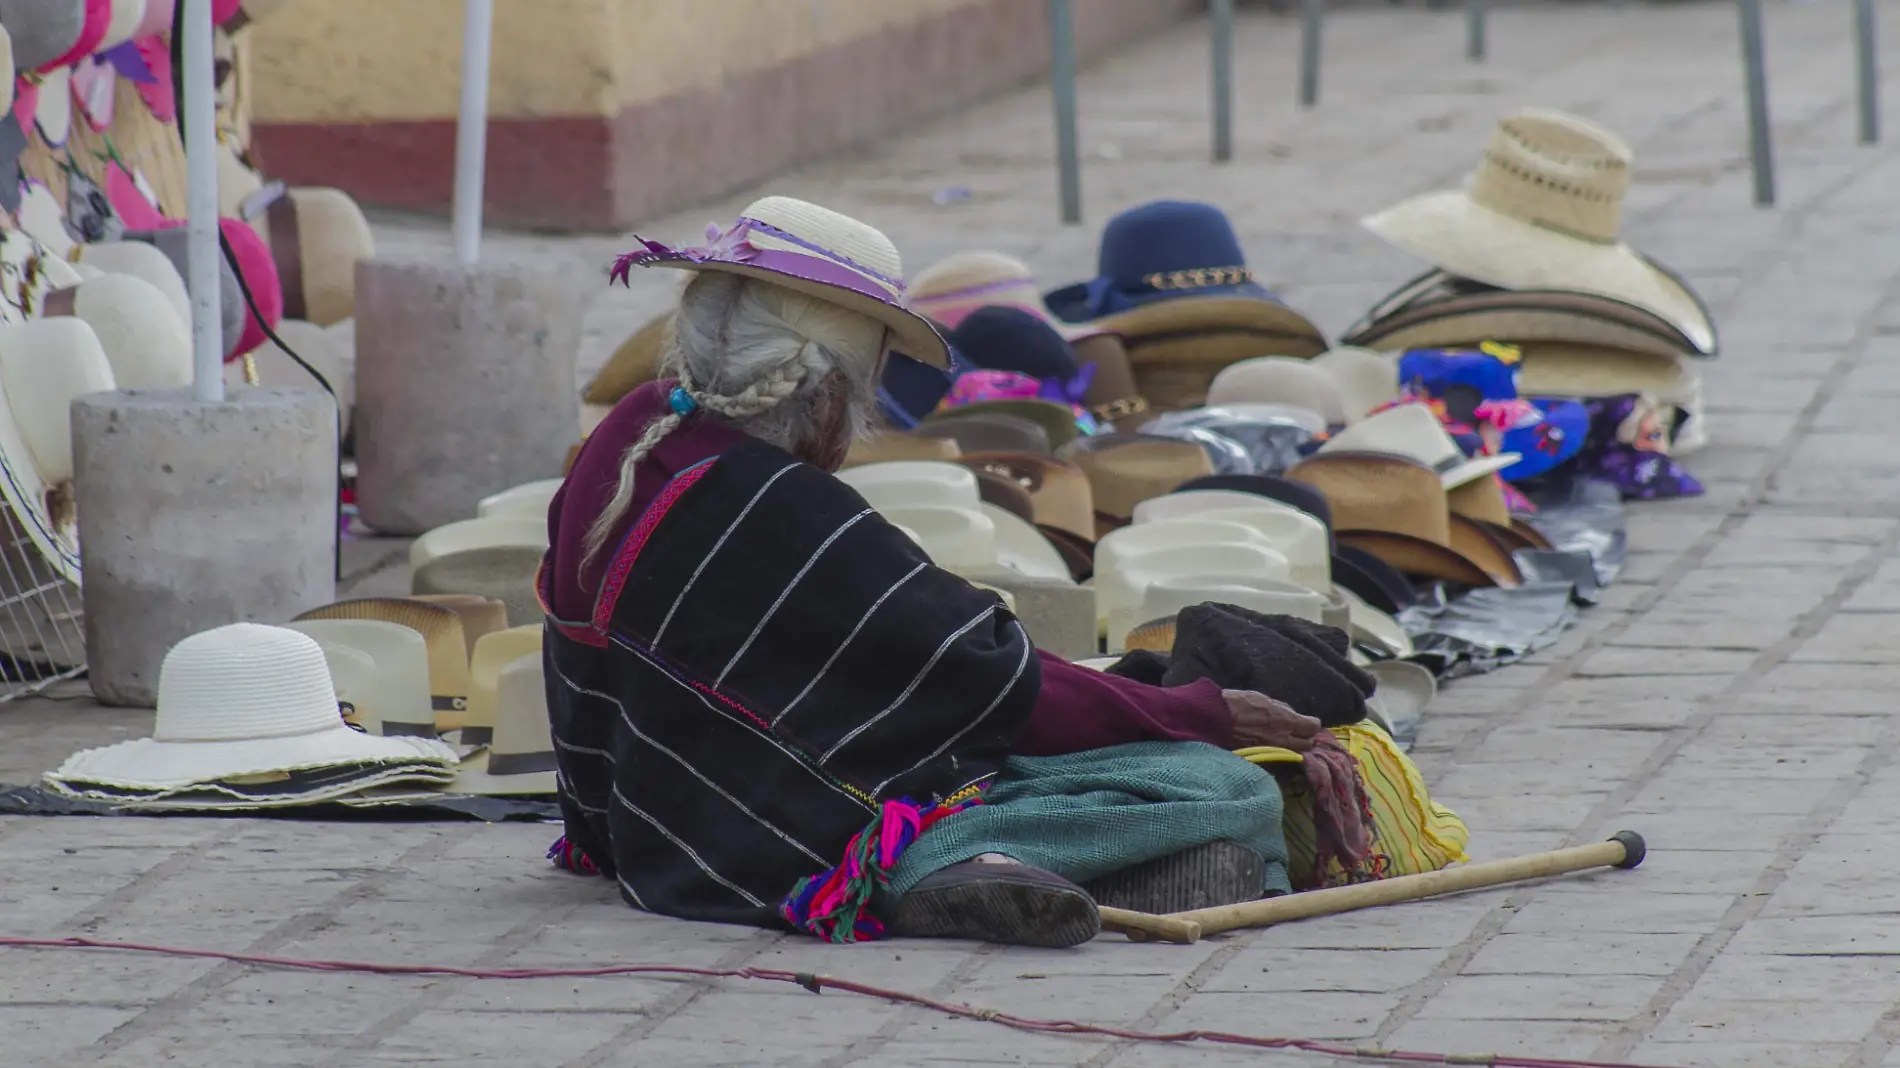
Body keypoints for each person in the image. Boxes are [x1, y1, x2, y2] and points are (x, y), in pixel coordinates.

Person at [541, 198, 1310, 947]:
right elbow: (994, 686)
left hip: (627, 812)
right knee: (1227, 789)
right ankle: (933, 865)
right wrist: (1202, 714)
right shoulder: (781, 508)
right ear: (833, 394)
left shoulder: (637, 429)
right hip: (754, 842)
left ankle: (980, 865)